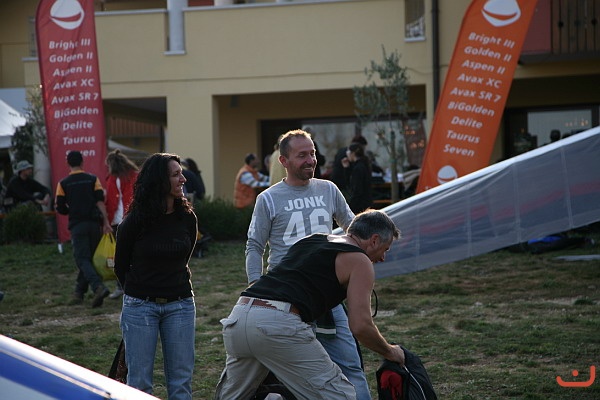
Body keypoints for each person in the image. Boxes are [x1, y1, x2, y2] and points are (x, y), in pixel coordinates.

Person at [215, 209, 405, 400]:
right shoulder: (359, 260)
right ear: (374, 240)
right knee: (341, 396)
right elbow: (361, 326)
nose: (382, 258)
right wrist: (390, 351)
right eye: (386, 249)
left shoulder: (311, 240)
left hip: (239, 317)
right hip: (277, 324)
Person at [244, 129, 372, 399]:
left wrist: (363, 257)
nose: (310, 160)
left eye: (312, 153)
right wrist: (256, 287)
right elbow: (254, 246)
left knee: (351, 365)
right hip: (286, 299)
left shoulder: (328, 189)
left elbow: (351, 228)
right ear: (284, 161)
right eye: (302, 155)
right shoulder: (268, 198)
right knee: (298, 376)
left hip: (328, 292)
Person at [114, 153, 197, 400]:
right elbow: (120, 266)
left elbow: (184, 258)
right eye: (175, 174)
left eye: (181, 173)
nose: (183, 179)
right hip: (140, 307)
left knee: (181, 383)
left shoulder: (187, 218)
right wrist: (140, 292)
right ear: (159, 180)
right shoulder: (135, 221)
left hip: (181, 305)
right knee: (139, 384)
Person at [55, 151, 113, 308]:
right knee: (90, 259)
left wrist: (71, 210)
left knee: (82, 259)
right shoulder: (93, 179)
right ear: (82, 162)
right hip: (94, 225)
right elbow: (100, 202)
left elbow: (60, 207)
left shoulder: (63, 183)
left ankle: (98, 287)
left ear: (68, 164)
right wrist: (106, 222)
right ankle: (79, 293)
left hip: (77, 225)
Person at [104, 149, 139, 299]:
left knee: (120, 256)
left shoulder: (114, 179)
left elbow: (111, 202)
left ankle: (121, 286)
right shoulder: (135, 175)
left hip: (118, 221)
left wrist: (106, 221)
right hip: (134, 218)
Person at [342, 142, 373, 214]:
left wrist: (351, 207)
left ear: (353, 153)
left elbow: (357, 189)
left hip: (360, 205)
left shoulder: (358, 168)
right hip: (366, 202)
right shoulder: (362, 165)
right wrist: (346, 168)